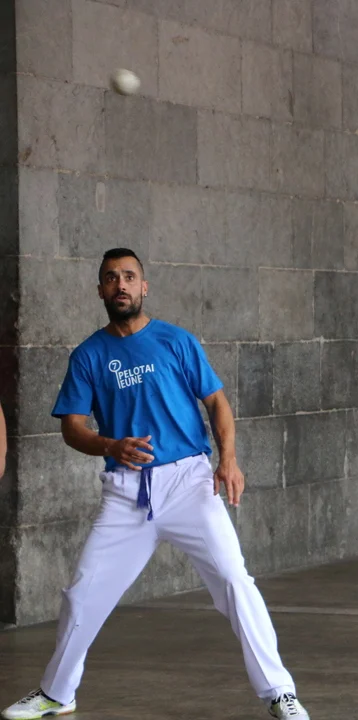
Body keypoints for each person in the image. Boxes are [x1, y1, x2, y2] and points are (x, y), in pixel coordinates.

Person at [1, 249, 310, 720]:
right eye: (111, 278)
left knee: (233, 580)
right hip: (126, 491)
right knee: (82, 595)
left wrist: (228, 460)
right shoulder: (88, 356)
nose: (120, 284)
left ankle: (279, 692)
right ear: (101, 290)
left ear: (144, 287)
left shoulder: (176, 341)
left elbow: (217, 403)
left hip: (189, 483)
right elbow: (72, 428)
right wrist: (109, 445)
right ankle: (57, 693)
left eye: (129, 277)